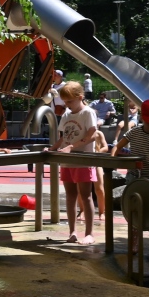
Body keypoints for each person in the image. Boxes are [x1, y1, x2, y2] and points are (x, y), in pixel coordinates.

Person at [52, 81, 100, 245]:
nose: (67, 105)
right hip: (67, 161)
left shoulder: (87, 113)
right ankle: (72, 232)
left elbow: (92, 135)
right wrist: (52, 149)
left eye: (70, 101)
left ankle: (89, 233)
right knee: (70, 196)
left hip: (83, 160)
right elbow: (63, 137)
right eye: (65, 102)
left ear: (80, 97)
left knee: (85, 196)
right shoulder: (67, 114)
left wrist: (72, 147)